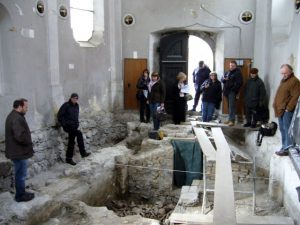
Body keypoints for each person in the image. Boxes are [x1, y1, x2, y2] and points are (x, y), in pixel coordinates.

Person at [5, 98, 35, 202]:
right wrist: (28, 141)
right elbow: (19, 136)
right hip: (19, 152)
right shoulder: (16, 118)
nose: (27, 109)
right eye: (26, 107)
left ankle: (21, 193)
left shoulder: (14, 116)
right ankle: (20, 196)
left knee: (20, 174)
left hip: (17, 151)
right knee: (21, 175)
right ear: (20, 107)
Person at [273, 64, 300, 156]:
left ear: (290, 71)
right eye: (282, 73)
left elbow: (295, 96)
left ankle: (288, 148)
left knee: (287, 129)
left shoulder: (294, 81)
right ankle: (284, 146)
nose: (283, 75)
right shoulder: (284, 80)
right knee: (282, 129)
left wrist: (289, 108)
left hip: (287, 111)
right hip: (281, 109)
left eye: (285, 73)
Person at [57, 93, 91, 165]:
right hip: (68, 127)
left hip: (74, 126)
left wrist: (77, 123)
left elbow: (76, 116)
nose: (75, 100)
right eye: (74, 98)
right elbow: (59, 115)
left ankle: (68, 159)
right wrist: (64, 124)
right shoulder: (66, 105)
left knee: (71, 142)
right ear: (71, 98)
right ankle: (83, 153)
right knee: (79, 133)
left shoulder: (77, 106)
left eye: (76, 98)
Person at [221, 60, 243, 126]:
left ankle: (232, 121)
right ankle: (229, 119)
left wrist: (233, 89)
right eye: (230, 65)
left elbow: (240, 83)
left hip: (232, 92)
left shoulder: (238, 73)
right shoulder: (227, 72)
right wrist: (224, 79)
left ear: (235, 66)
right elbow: (222, 79)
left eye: (233, 66)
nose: (231, 67)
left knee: (232, 106)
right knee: (229, 106)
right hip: (226, 91)